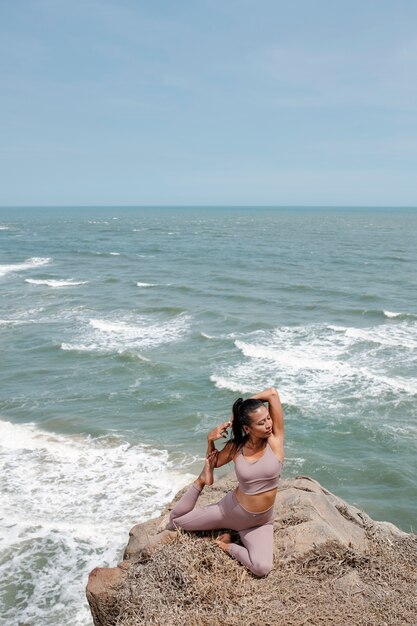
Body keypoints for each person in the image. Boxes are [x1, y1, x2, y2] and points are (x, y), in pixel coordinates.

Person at [167, 387, 284, 577]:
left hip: (260, 522)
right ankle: (200, 482)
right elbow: (213, 463)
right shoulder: (235, 447)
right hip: (229, 511)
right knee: (175, 522)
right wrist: (210, 441)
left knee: (262, 568)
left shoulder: (275, 440)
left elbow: (272, 393)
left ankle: (227, 543)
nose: (268, 424)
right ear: (247, 428)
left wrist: (236, 415)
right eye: (261, 423)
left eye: (268, 418)